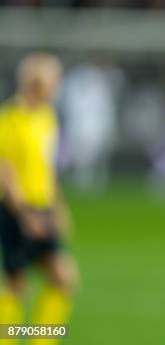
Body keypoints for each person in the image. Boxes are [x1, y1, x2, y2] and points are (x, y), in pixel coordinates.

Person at [0, 52, 77, 345]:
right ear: (36, 82)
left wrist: (57, 207)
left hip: (43, 207)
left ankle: (40, 340)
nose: (56, 86)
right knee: (17, 285)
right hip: (18, 211)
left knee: (63, 278)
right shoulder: (10, 119)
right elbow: (6, 175)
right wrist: (25, 214)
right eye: (53, 80)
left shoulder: (47, 117)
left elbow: (46, 168)